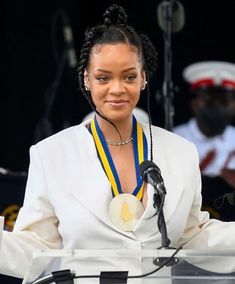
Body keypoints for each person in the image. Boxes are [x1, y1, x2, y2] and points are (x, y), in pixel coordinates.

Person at [0, 4, 235, 283]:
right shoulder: (51, 154)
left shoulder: (181, 151)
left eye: (129, 77)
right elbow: (37, 248)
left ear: (144, 78)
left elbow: (192, 235)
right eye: (103, 78)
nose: (117, 88)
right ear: (86, 80)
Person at [173, 61, 235, 221]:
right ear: (194, 104)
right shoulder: (175, 139)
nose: (217, 108)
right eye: (210, 101)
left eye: (224, 101)